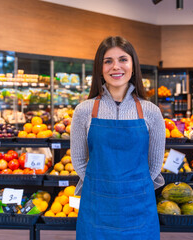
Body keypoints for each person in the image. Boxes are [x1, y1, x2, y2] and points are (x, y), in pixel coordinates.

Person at [71, 36, 165, 239]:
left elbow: (155, 163)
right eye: (108, 61)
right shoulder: (83, 111)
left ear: (133, 65)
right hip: (97, 205)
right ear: (100, 68)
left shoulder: (151, 112)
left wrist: (134, 187)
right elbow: (78, 160)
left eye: (123, 59)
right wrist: (101, 185)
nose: (116, 67)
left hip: (138, 206)